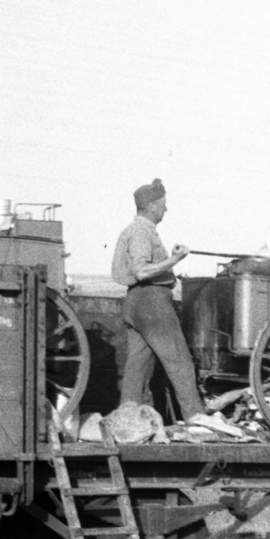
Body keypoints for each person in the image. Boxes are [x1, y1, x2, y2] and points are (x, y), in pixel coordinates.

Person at [109, 178, 205, 423]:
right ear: (152, 206)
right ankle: (196, 420)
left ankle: (127, 422)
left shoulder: (134, 231)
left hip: (136, 303)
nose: (166, 209)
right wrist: (175, 260)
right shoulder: (141, 232)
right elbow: (141, 271)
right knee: (180, 361)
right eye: (163, 204)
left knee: (136, 369)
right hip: (151, 302)